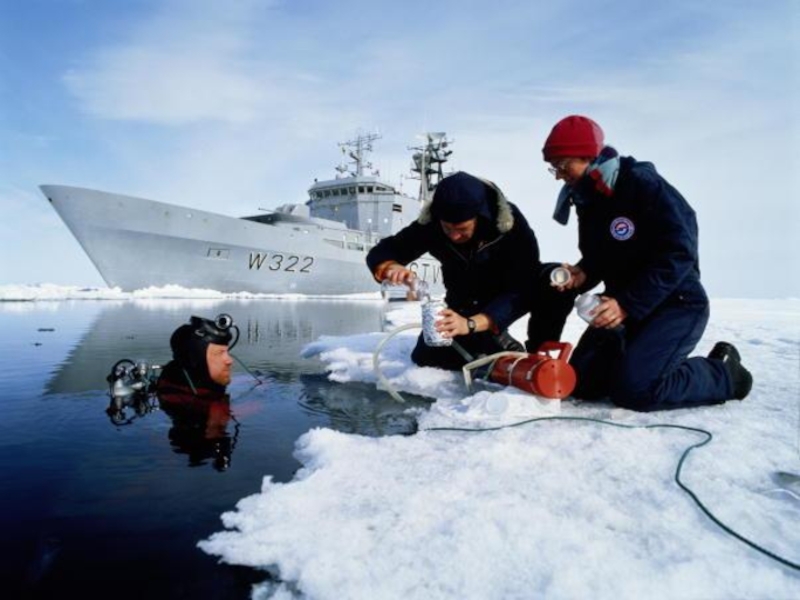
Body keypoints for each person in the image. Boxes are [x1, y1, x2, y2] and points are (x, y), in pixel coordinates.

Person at [541, 115, 752, 411]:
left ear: (588, 156)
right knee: (582, 383)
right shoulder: (588, 198)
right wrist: (582, 273)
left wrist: (626, 304)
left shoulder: (642, 184)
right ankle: (633, 363)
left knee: (636, 391)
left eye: (563, 165)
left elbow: (680, 252)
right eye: (553, 167)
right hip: (625, 308)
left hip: (676, 303)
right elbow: (601, 256)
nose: (558, 175)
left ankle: (723, 373)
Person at [366, 171, 573, 370]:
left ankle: (539, 354)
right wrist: (390, 266)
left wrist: (474, 324)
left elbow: (524, 285)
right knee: (428, 359)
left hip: (508, 297)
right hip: (463, 302)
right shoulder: (432, 224)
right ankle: (491, 339)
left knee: (555, 278)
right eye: (448, 229)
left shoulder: (510, 225)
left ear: (480, 217)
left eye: (462, 229)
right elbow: (386, 249)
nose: (454, 237)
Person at [155, 314, 239, 470]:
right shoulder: (182, 400)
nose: (229, 360)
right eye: (219, 353)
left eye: (226, 352)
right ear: (196, 358)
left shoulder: (186, 385)